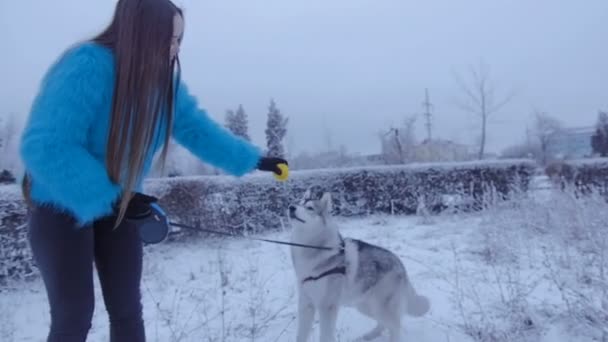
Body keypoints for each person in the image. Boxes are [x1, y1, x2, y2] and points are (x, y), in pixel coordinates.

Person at [17, 0, 287, 341]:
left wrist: (253, 159)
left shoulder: (163, 84)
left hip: (120, 205)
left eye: (179, 40)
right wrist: (106, 196)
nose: (174, 47)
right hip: (62, 205)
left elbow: (198, 129)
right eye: (167, 37)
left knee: (128, 311)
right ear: (139, 32)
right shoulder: (85, 64)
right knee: (74, 314)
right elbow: (47, 145)